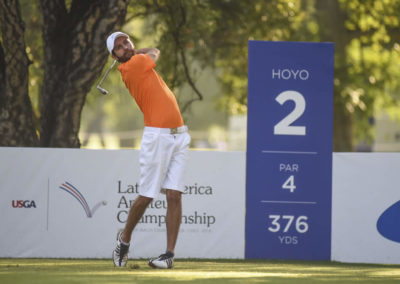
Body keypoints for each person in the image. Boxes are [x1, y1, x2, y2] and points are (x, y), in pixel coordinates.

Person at [106, 31, 191, 269]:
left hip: (179, 135)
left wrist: (133, 50)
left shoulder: (136, 62)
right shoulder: (132, 67)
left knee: (174, 195)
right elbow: (154, 51)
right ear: (114, 56)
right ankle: (124, 240)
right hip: (157, 138)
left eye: (127, 42)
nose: (126, 46)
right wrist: (137, 51)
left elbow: (151, 52)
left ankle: (168, 255)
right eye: (120, 47)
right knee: (147, 195)